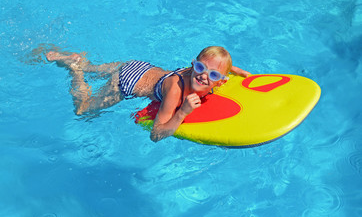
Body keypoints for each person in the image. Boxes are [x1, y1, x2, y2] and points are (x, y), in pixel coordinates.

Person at [45, 46, 251, 141]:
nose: (204, 76)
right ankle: (76, 70)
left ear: (222, 79)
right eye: (200, 67)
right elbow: (156, 133)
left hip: (139, 66)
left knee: (95, 69)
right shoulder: (176, 90)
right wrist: (182, 113)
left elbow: (221, 67)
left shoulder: (204, 73)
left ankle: (80, 61)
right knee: (84, 109)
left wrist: (242, 73)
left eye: (213, 74)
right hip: (128, 81)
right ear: (193, 64)